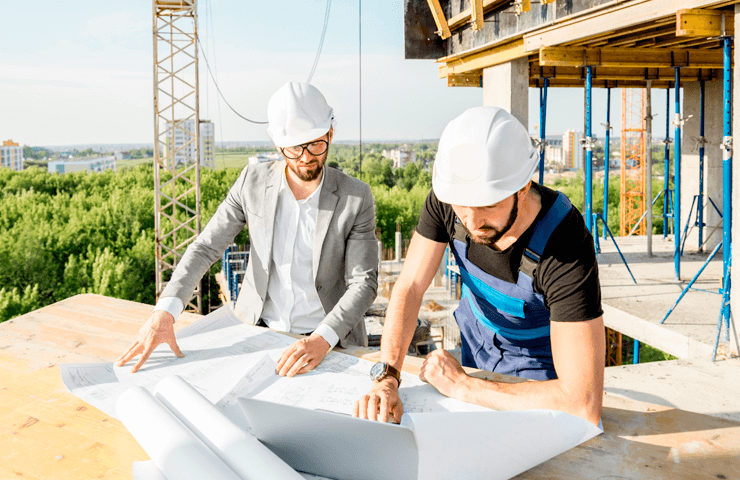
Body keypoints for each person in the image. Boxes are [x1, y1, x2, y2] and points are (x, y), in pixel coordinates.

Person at [353, 106, 604, 426]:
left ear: (523, 187)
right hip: (476, 344)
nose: (472, 222)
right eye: (462, 208)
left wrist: (464, 386)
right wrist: (387, 377)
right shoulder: (449, 198)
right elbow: (411, 286)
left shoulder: (565, 246)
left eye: (488, 206)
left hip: (540, 367)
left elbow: (582, 402)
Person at [117, 82, 378, 377]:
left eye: (316, 144)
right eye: (295, 148)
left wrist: (321, 339)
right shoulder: (251, 182)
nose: (306, 157)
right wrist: (164, 311)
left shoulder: (355, 197)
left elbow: (363, 283)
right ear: (277, 145)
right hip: (256, 331)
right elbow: (206, 247)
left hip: (330, 342)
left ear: (330, 133)